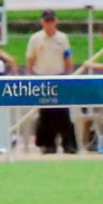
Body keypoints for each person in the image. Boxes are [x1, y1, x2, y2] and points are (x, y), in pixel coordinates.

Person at [25, 10, 78, 154]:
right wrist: (30, 77)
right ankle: (48, 144)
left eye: (51, 20)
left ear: (56, 21)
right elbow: (30, 59)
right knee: (46, 113)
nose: (49, 23)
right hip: (42, 78)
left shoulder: (62, 38)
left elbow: (68, 57)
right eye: (46, 20)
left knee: (63, 112)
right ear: (42, 22)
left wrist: (69, 75)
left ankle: (69, 144)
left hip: (59, 77)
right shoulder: (35, 38)